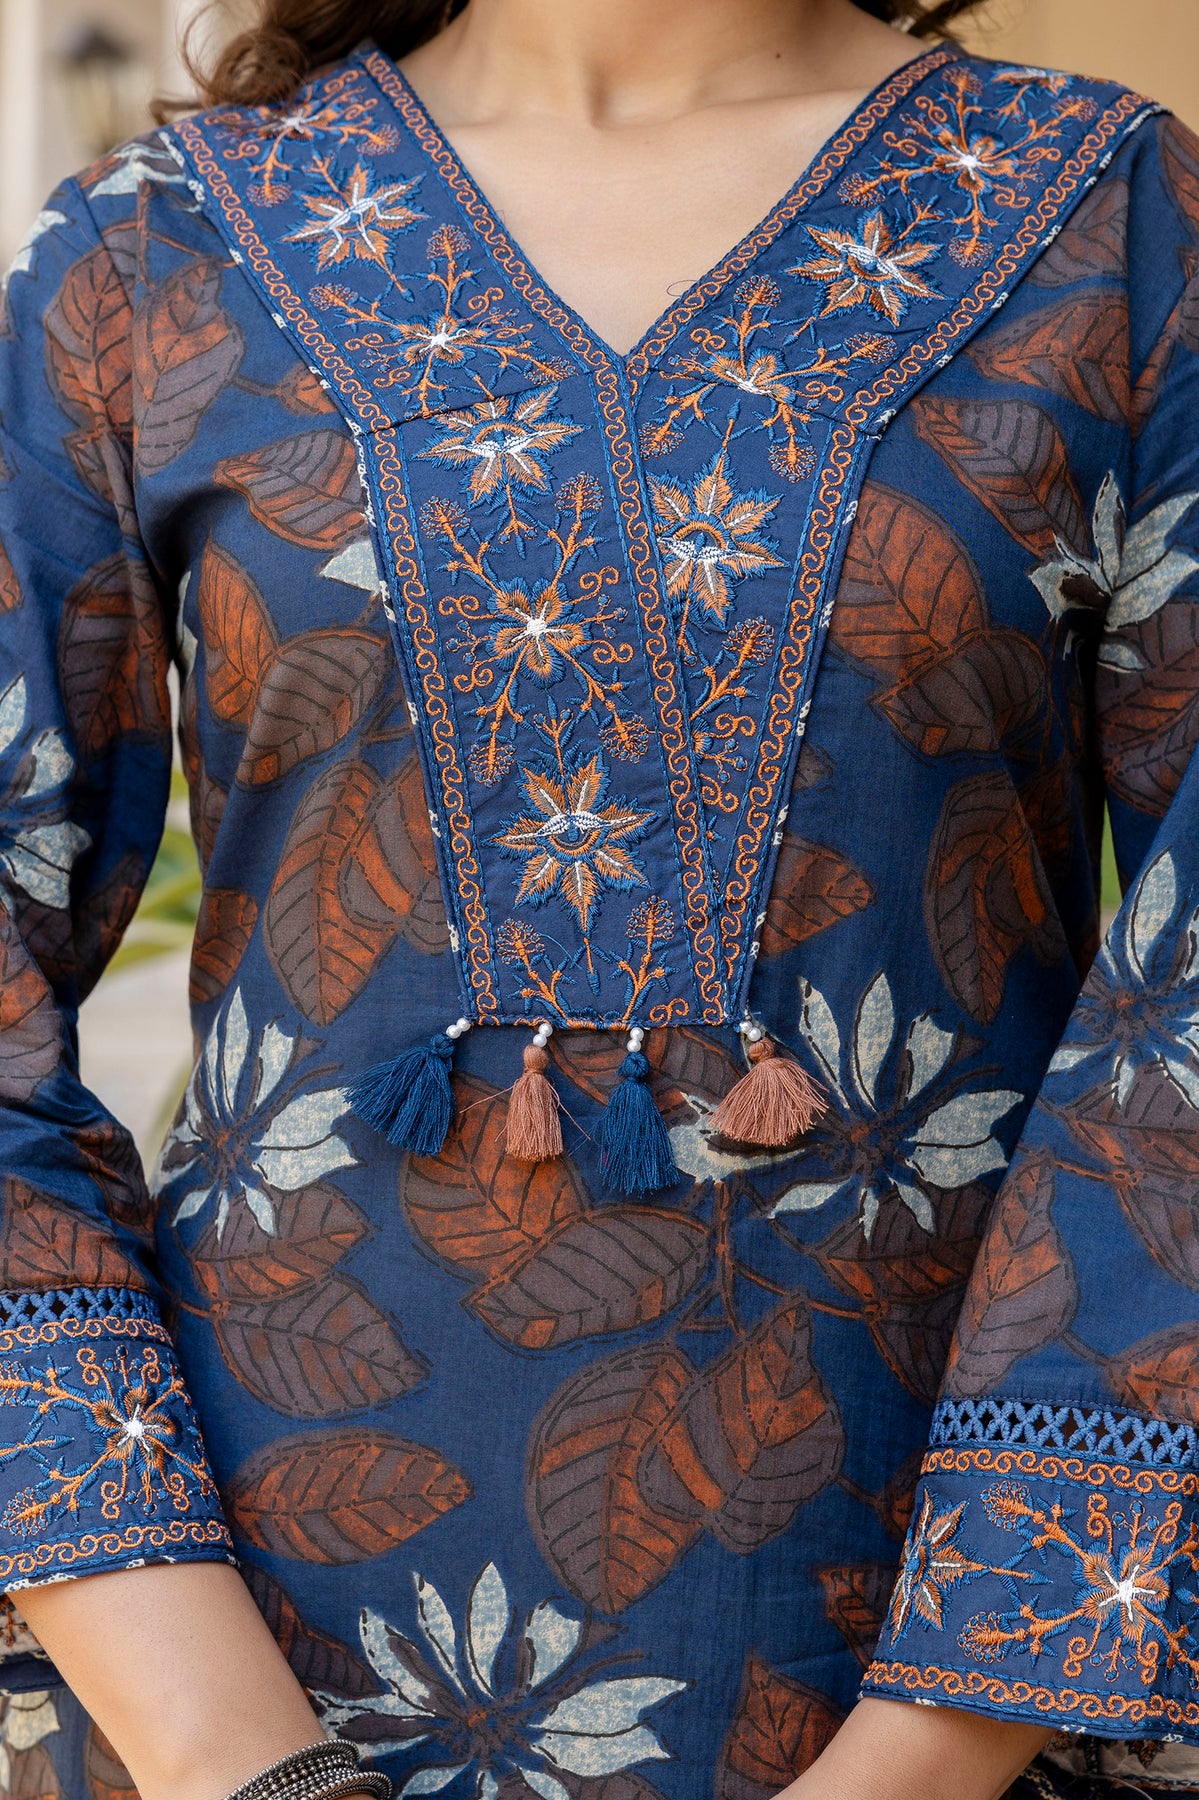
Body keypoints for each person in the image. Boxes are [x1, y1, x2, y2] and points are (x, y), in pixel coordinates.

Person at [0, 0, 1195, 1795]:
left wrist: (933, 1754)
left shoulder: (1112, 218)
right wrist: (231, 1752)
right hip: (234, 1656)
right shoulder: (155, 248)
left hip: (950, 1665)